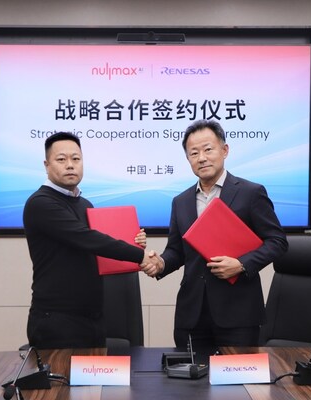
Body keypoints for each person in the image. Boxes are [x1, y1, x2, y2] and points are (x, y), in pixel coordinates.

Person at [140, 119, 288, 349]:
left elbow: (277, 242)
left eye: (208, 149)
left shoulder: (250, 193)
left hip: (238, 314)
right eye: (194, 153)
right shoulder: (180, 201)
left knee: (238, 374)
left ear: (224, 150)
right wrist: (160, 264)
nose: (201, 158)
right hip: (192, 314)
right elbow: (176, 251)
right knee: (190, 374)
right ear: (188, 159)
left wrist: (241, 264)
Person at [23, 131, 157, 349]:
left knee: (93, 372)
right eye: (61, 159)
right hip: (56, 319)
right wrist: (139, 255)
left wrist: (134, 241)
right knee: (61, 373)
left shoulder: (85, 204)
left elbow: (99, 247)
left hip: (93, 317)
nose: (70, 165)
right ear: (46, 165)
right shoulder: (41, 203)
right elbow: (88, 239)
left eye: (76, 159)